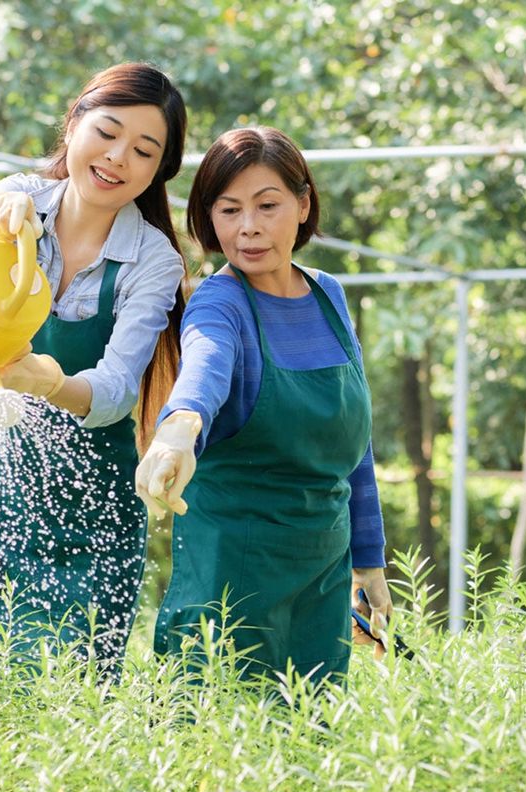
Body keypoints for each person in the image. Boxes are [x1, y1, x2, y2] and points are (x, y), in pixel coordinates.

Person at [0, 62, 188, 681]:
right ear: (73, 126)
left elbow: (119, 387)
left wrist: (44, 383)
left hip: (93, 500)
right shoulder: (26, 200)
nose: (117, 157)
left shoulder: (153, 259)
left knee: (68, 685)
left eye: (143, 150)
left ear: (157, 171)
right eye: (106, 132)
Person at [134, 126, 393, 688]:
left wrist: (368, 559)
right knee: (215, 743)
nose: (247, 226)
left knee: (311, 743)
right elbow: (202, 366)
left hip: (321, 577)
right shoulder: (219, 301)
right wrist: (178, 430)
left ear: (302, 205)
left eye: (267, 205)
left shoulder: (328, 294)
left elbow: (354, 442)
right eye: (228, 210)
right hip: (231, 577)